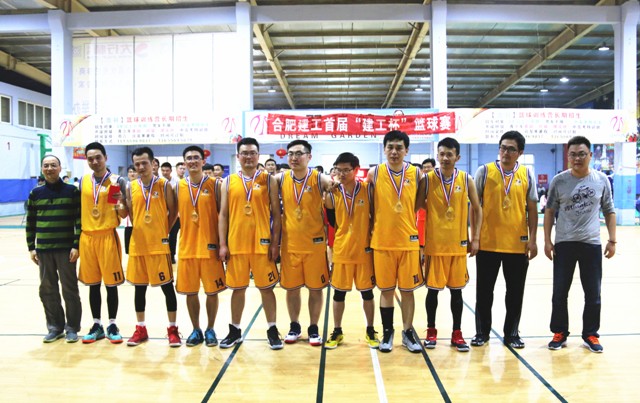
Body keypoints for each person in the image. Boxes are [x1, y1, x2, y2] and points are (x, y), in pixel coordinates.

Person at [544, 136, 616, 353]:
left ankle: (591, 334)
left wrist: (612, 240)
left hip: (591, 244)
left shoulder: (601, 180)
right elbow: (549, 211)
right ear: (568, 156)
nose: (577, 158)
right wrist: (547, 240)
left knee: (593, 293)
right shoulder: (559, 180)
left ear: (590, 155)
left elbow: (609, 210)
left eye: (582, 154)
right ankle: (559, 332)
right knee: (559, 292)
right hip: (564, 243)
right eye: (573, 154)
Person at [472, 130, 538, 349]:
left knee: (515, 294)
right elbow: (475, 207)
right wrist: (475, 238)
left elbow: (532, 208)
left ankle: (512, 333)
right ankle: (482, 333)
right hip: (487, 243)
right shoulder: (484, 171)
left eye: (511, 149)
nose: (506, 152)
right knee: (484, 292)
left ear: (520, 152)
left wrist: (533, 239)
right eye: (502, 148)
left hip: (517, 245)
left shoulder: (527, 174)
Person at [218, 138, 283, 349]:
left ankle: (272, 329)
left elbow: (277, 214)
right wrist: (223, 244)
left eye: (252, 153)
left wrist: (275, 243)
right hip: (236, 245)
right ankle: (235, 330)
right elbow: (223, 215)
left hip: (262, 244)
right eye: (244, 153)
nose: (248, 156)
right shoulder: (227, 181)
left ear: (258, 155)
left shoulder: (268, 180)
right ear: (238, 156)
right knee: (238, 289)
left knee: (267, 289)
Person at [367, 130, 426, 353]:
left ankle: (408, 331)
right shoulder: (374, 173)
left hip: (408, 242)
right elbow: (370, 206)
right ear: (384, 149)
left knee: (408, 291)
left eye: (399, 148)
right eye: (390, 147)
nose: (394, 152)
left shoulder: (417, 173)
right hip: (382, 242)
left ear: (406, 150)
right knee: (386, 291)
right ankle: (387, 331)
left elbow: (418, 204)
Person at [422, 138, 482, 352]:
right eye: (442, 154)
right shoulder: (428, 179)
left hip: (458, 245)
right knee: (433, 292)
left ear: (458, 157)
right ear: (437, 156)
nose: (445, 158)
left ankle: (457, 333)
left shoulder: (466, 179)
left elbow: (477, 209)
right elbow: (416, 205)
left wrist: (475, 238)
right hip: (435, 246)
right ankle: (431, 331)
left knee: (457, 293)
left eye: (450, 154)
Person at [277, 140, 335, 346]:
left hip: (315, 245)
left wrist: (333, 184)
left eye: (299, 153)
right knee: (291, 289)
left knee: (315, 289)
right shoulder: (280, 179)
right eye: (291, 154)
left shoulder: (319, 178)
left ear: (309, 157)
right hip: (290, 245)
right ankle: (294, 326)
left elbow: (332, 184)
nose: (294, 157)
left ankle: (313, 327)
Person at [125, 146, 181, 347]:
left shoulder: (164, 185)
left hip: (159, 245)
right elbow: (131, 214)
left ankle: (172, 329)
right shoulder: (130, 186)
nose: (141, 167)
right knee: (139, 289)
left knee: (167, 288)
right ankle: (140, 328)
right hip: (138, 245)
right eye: (137, 164)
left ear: (153, 163)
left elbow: (173, 211)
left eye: (144, 163)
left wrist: (163, 230)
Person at [324, 152, 379, 349]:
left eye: (346, 170)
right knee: (339, 294)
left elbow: (374, 215)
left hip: (364, 250)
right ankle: (337, 330)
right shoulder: (332, 193)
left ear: (356, 170)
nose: (342, 173)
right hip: (342, 251)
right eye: (338, 170)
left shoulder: (367, 190)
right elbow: (332, 221)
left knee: (367, 294)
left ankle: (370, 329)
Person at [26, 155, 82, 343]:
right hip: (43, 250)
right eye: (46, 165)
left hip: (66, 250)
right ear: (42, 169)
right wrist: (31, 247)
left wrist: (76, 245)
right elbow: (31, 222)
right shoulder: (35, 193)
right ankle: (55, 327)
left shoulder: (72, 191)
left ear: (60, 168)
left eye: (53, 165)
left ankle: (72, 328)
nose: (49, 168)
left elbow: (79, 220)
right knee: (47, 290)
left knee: (70, 290)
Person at [176, 145, 226, 347]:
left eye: (196, 157)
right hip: (187, 248)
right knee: (190, 292)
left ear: (203, 161)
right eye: (189, 158)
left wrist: (223, 244)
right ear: (184, 162)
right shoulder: (177, 186)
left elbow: (224, 216)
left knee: (212, 292)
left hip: (210, 247)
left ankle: (210, 328)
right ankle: (196, 329)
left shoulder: (216, 185)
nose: (193, 161)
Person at [78, 142, 128, 344]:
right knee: (93, 285)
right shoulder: (83, 181)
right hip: (87, 237)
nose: (95, 161)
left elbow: (123, 214)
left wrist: (121, 200)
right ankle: (96, 324)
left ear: (106, 158)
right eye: (90, 158)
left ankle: (112, 324)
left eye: (98, 157)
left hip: (107, 236)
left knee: (111, 285)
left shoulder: (116, 181)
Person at [161, 162, 180, 264]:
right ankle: (163, 255)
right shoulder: (158, 182)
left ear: (171, 171)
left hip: (175, 214)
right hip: (162, 214)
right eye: (163, 170)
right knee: (162, 236)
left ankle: (172, 255)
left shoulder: (177, 182)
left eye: (167, 170)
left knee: (173, 236)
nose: (165, 172)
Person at [417, 158, 435, 263]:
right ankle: (420, 263)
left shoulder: (438, 182)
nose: (427, 169)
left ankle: (430, 262)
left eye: (429, 167)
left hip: (434, 219)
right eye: (424, 167)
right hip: (421, 217)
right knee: (420, 243)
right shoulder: (421, 182)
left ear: (434, 167)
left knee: (431, 242)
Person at [124, 165, 137, 255]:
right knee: (129, 249)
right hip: (128, 222)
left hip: (140, 220)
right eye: (130, 172)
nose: (132, 174)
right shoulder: (123, 185)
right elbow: (114, 201)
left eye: (134, 172)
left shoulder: (142, 186)